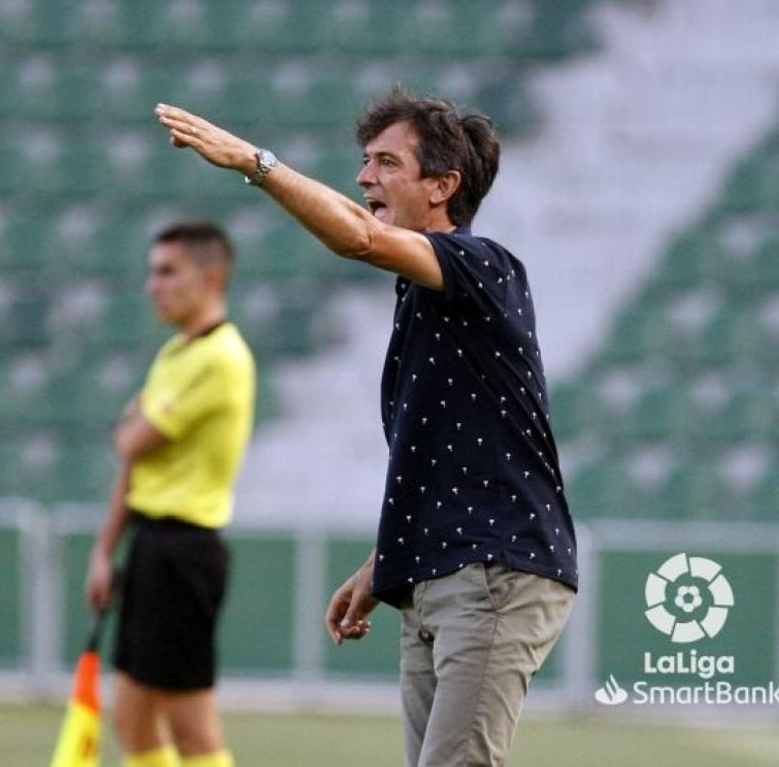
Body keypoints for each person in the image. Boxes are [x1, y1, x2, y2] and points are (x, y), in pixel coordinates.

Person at [155, 90, 577, 767]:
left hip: (494, 572)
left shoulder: (483, 265)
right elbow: (453, 456)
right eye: (365, 161)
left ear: (443, 186)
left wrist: (252, 162)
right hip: (438, 573)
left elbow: (359, 234)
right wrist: (385, 562)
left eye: (386, 162)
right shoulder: (424, 302)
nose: (364, 177)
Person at [86, 221, 256, 767]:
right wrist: (104, 552)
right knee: (133, 714)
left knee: (191, 725)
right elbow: (132, 459)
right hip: (152, 546)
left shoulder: (221, 357)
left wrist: (129, 429)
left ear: (210, 277)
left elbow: (131, 440)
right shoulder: (175, 354)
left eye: (166, 271)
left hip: (185, 552)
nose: (152, 285)